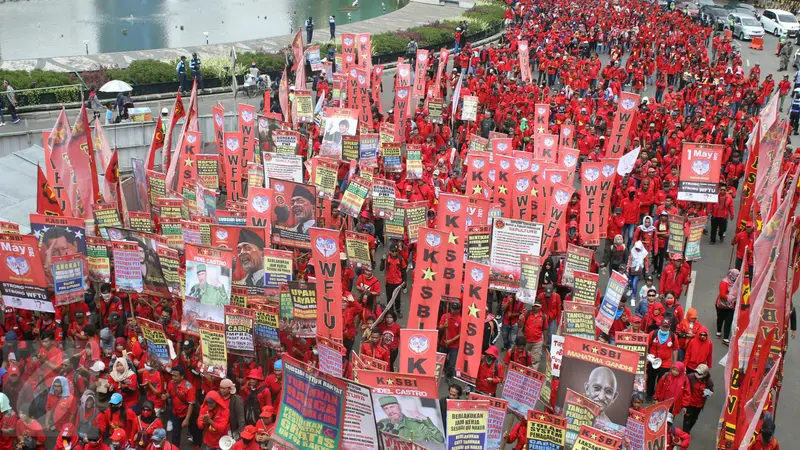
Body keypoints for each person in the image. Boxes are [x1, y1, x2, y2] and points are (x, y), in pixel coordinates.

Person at [375, 396, 444, 443]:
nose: (390, 411)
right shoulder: (382, 424)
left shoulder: (417, 425)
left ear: (400, 407)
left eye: (392, 407)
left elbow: (439, 440)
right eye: (386, 409)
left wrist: (426, 420)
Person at [646, 319, 677, 401]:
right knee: (651, 379)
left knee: (662, 381)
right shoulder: (653, 334)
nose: (665, 329)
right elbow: (646, 345)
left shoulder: (673, 336)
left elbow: (675, 349)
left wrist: (674, 364)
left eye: (667, 327)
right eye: (663, 326)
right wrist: (647, 356)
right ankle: (649, 394)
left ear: (669, 328)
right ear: (660, 326)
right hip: (653, 361)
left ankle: (658, 396)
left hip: (665, 363)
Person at [682, 363, 713, 433]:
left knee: (694, 419)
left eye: (699, 373)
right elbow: (684, 387)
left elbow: (711, 391)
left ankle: (687, 431)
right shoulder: (690, 377)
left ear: (705, 374)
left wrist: (707, 394)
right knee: (687, 419)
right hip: (689, 402)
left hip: (699, 404)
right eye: (696, 372)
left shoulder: (708, 381)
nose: (697, 374)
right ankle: (685, 433)